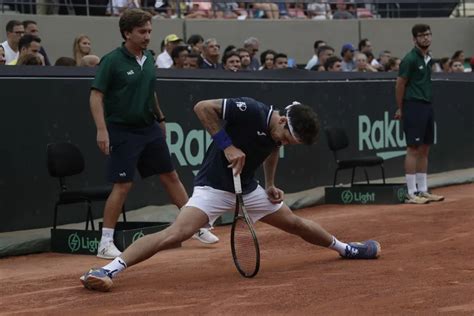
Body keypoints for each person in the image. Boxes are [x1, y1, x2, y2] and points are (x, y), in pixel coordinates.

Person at [80, 96, 381, 292]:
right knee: (176, 234)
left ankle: (347, 249)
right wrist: (227, 145)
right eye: (290, 137)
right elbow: (201, 107)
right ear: (284, 121)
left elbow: (272, 150)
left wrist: (271, 184)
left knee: (297, 224)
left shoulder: (277, 135)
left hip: (247, 187)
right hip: (213, 186)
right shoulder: (251, 110)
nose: (287, 143)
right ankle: (107, 270)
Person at [88, 9, 218, 260]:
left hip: (148, 127)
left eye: (149, 31)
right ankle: (105, 242)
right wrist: (102, 129)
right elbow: (96, 95)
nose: (147, 36)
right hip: (122, 129)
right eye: (142, 32)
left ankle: (195, 225)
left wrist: (160, 118)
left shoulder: (148, 57)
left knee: (170, 175)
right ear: (127, 33)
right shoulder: (111, 60)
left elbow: (150, 92)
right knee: (123, 185)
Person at [395, 24, 444, 204]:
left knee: (425, 148)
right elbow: (400, 84)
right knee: (413, 148)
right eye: (422, 35)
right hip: (413, 105)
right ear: (414, 39)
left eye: (428, 35)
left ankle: (423, 190)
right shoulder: (409, 59)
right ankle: (411, 192)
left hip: (427, 105)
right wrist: (401, 108)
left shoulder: (428, 58)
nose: (426, 38)